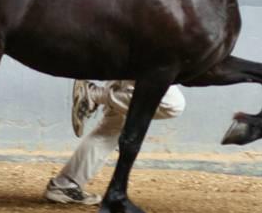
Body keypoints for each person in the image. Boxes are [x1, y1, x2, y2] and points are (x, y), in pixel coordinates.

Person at [44, 80, 186, 204]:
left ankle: (66, 184)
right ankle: (94, 94)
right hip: (141, 56)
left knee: (113, 125)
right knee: (172, 104)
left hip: (127, 56)